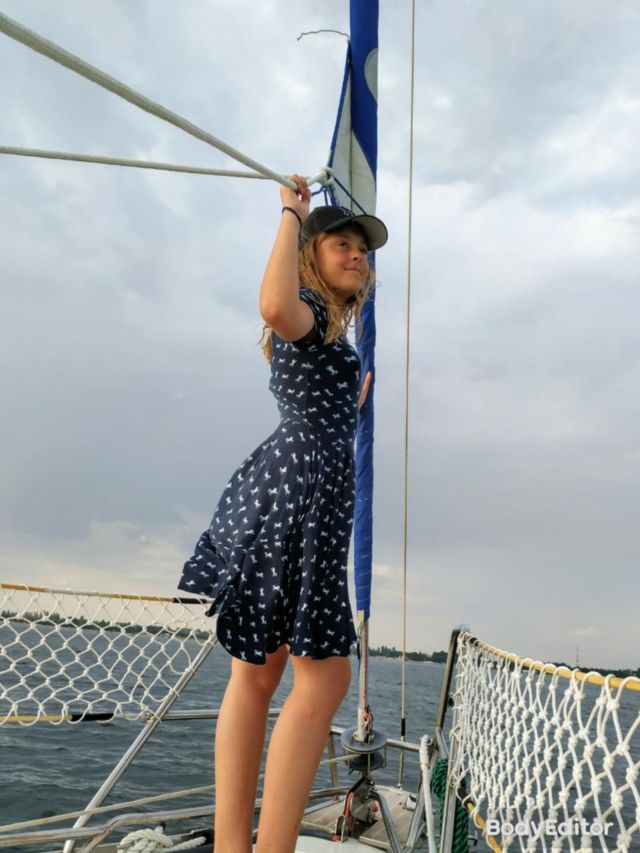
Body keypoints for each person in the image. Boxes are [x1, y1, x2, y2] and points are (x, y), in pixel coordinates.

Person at [178, 174, 388, 852]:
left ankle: (234, 845)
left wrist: (349, 401)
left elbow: (311, 393)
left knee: (261, 671)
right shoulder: (308, 310)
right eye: (342, 245)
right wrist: (291, 214)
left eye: (362, 249)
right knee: (324, 675)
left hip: (293, 492)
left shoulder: (327, 336)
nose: (357, 255)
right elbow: (273, 305)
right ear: (311, 258)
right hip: (300, 496)